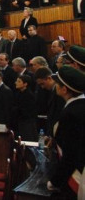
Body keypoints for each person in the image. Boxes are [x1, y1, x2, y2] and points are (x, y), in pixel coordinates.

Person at [47, 67, 85, 196]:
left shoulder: (71, 113)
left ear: (64, 89)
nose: (55, 85)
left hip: (75, 176)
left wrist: (55, 181)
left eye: (58, 83)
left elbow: (70, 153)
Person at [12, 75, 37, 141]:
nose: (16, 83)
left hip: (27, 125)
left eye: (19, 81)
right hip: (19, 123)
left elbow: (27, 111)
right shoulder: (18, 93)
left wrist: (16, 110)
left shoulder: (29, 95)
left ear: (25, 84)